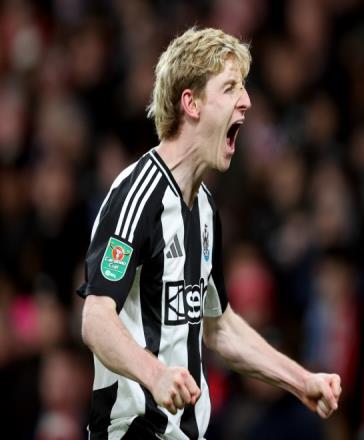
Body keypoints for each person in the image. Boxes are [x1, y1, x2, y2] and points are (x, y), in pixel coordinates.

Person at [78, 27, 342, 440]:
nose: (247, 100)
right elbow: (95, 318)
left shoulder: (204, 207)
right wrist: (155, 374)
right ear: (192, 103)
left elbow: (220, 327)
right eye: (230, 87)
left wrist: (301, 380)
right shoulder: (137, 196)